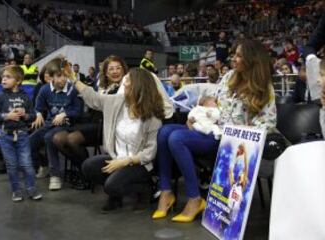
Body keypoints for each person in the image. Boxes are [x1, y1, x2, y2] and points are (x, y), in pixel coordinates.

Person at [153, 40, 277, 223]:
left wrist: (241, 130)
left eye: (239, 55)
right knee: (164, 132)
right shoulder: (230, 77)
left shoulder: (264, 87)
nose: (234, 59)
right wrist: (197, 116)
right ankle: (166, 191)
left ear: (252, 59)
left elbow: (268, 123)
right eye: (234, 54)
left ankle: (195, 198)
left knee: (176, 138)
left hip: (229, 139)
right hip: (211, 127)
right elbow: (215, 102)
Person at [70, 67, 165, 213]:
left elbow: (149, 153)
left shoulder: (152, 117)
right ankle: (116, 194)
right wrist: (74, 79)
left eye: (128, 80)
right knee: (88, 167)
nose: (124, 83)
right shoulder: (117, 102)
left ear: (138, 86)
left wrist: (125, 161)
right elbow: (93, 98)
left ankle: (144, 190)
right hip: (117, 157)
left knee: (111, 185)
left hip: (139, 163)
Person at [51, 55, 129, 182]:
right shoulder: (102, 86)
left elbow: (97, 102)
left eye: (118, 68)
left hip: (108, 126)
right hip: (93, 121)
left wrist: (73, 78)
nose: (115, 71)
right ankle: (83, 170)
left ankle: (88, 173)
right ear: (105, 73)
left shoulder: (126, 86)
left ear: (124, 70)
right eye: (111, 69)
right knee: (57, 138)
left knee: (72, 139)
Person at [0, 65, 42, 202]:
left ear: (18, 81)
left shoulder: (25, 97)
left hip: (23, 134)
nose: (3, 80)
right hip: (5, 136)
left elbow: (33, 116)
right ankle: (16, 190)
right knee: (11, 165)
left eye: (8, 77)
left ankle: (31, 188)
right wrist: (8, 116)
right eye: (3, 77)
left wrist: (25, 115)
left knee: (27, 164)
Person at [29, 57, 81, 190]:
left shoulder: (72, 90)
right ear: (51, 77)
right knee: (29, 143)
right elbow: (38, 107)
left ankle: (55, 176)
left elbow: (78, 111)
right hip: (49, 124)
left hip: (65, 125)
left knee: (49, 138)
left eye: (65, 76)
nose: (63, 79)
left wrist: (65, 114)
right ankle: (44, 165)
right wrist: (38, 113)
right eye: (59, 76)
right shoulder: (45, 89)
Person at [228, 143, 248, 222]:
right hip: (229, 208)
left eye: (242, 174)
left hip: (235, 211)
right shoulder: (233, 184)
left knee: (232, 224)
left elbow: (246, 167)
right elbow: (230, 171)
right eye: (241, 173)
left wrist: (245, 152)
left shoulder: (242, 186)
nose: (241, 174)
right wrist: (235, 157)